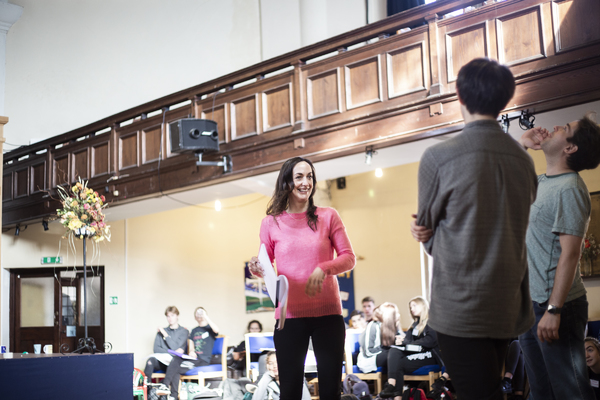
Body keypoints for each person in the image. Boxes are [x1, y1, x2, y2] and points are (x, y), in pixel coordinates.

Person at [410, 58, 537, 400]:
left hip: (462, 306)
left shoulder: (439, 157)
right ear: (504, 100)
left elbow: (434, 241)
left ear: (459, 96)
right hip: (507, 303)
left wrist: (424, 234)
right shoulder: (524, 161)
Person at [248, 156, 356, 400]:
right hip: (289, 317)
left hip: (327, 315)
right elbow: (265, 264)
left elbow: (349, 258)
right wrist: (257, 266)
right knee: (290, 391)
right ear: (287, 182)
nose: (306, 182)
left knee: (330, 390)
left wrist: (325, 268)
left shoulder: (328, 216)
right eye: (299, 177)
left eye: (309, 176)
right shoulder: (270, 223)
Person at [518, 116, 600, 399]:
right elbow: (500, 181)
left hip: (557, 308)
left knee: (571, 392)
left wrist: (554, 310)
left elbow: (571, 253)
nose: (554, 128)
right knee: (541, 392)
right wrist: (523, 145)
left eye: (564, 129)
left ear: (570, 148)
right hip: (531, 305)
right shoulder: (541, 181)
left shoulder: (570, 188)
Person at [379, 297, 447, 399]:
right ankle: (391, 385)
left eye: (414, 305)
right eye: (410, 307)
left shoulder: (431, 322)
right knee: (394, 350)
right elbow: (407, 342)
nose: (412, 309)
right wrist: (400, 342)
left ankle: (396, 395)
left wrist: (407, 342)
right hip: (416, 353)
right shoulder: (415, 325)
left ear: (423, 306)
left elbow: (430, 341)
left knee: (399, 364)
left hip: (430, 355)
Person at [156, 307, 220, 400]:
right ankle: (171, 393)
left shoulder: (210, 328)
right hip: (193, 359)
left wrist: (205, 316)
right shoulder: (194, 330)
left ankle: (168, 388)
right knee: (176, 360)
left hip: (203, 360)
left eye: (201, 313)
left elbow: (216, 330)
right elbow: (191, 346)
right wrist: (191, 351)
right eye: (197, 314)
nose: (199, 315)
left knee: (176, 369)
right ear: (195, 317)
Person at [144, 306, 189, 381]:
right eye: (168, 316)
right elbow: (156, 349)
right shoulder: (160, 331)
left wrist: (165, 334)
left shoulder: (184, 331)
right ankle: (146, 388)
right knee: (150, 360)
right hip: (162, 362)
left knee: (175, 360)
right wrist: (171, 352)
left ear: (177, 316)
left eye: (172, 315)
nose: (170, 318)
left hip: (175, 363)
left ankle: (164, 385)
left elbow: (174, 347)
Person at [357, 302, 400, 373]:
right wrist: (386, 347)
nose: (398, 315)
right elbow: (368, 352)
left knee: (398, 353)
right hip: (369, 360)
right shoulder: (373, 325)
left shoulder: (391, 327)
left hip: (383, 354)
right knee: (394, 353)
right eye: (395, 314)